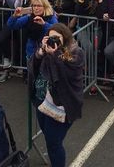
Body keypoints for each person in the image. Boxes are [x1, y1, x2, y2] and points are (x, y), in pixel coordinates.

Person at [28, 23, 84, 167]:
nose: (53, 41)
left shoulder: (75, 52)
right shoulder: (46, 50)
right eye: (50, 37)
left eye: (57, 38)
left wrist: (55, 54)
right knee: (49, 138)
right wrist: (40, 53)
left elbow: (66, 75)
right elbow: (32, 69)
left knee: (54, 143)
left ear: (65, 38)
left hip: (63, 104)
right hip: (42, 101)